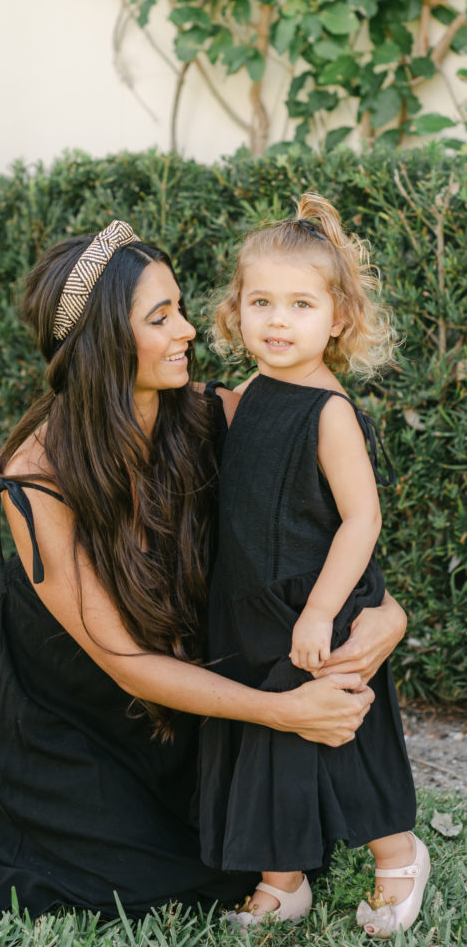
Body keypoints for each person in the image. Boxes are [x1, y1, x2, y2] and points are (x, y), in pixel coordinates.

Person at [0, 221, 405, 919]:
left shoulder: (215, 414)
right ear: (105, 339)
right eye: (161, 317)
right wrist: (285, 712)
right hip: (58, 708)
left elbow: (320, 532)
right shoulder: (36, 478)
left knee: (245, 850)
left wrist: (388, 615)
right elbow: (124, 661)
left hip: (180, 697)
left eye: (180, 310)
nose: (192, 331)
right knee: (151, 882)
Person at [197, 195, 428, 937]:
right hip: (257, 606)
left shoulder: (327, 411)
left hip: (319, 602)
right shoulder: (250, 396)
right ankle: (283, 878)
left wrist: (324, 609)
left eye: (300, 304)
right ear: (237, 311)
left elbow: (362, 517)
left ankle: (397, 855)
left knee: (348, 742)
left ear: (337, 319)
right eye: (261, 301)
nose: (277, 320)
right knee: (269, 745)